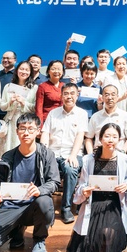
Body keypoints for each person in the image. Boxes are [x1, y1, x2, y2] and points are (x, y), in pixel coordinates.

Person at [0, 113, 61, 252]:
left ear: (38, 131)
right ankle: (16, 228)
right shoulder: (7, 157)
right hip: (10, 206)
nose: (26, 132)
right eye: (22, 128)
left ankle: (39, 239)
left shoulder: (46, 154)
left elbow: (54, 182)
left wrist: (40, 190)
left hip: (33, 206)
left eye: (30, 129)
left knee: (45, 201)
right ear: (16, 131)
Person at [67, 123, 127, 252]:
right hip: (94, 204)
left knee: (108, 234)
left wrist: (126, 185)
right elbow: (81, 185)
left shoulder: (123, 159)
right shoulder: (88, 159)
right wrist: (84, 191)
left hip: (115, 205)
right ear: (100, 139)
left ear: (119, 140)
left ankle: (113, 246)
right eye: (107, 136)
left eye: (114, 137)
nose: (110, 140)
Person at [40, 83, 88, 224]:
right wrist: (44, 153)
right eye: (66, 93)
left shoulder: (82, 114)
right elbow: (45, 134)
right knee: (41, 167)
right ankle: (45, 208)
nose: (69, 96)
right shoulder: (53, 113)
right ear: (61, 96)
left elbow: (80, 136)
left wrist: (73, 155)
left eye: (72, 93)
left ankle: (66, 207)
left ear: (77, 96)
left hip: (72, 153)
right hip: (53, 153)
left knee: (70, 169)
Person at [0, 61, 37, 160]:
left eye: (27, 70)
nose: (24, 72)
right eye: (21, 69)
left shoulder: (34, 88)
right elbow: (2, 106)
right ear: (17, 70)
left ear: (30, 72)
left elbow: (34, 108)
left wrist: (23, 102)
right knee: (7, 147)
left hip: (26, 121)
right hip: (11, 121)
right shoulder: (8, 86)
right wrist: (10, 102)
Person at [85, 83, 127, 154]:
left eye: (113, 94)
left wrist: (123, 152)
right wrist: (91, 155)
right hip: (98, 155)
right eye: (107, 95)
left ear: (117, 97)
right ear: (102, 97)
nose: (110, 97)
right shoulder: (95, 117)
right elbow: (88, 138)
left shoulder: (126, 116)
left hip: (118, 154)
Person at [35, 59, 64, 124]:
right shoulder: (42, 86)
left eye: (59, 69)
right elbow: (39, 108)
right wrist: (40, 125)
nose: (56, 71)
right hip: (47, 120)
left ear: (62, 72)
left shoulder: (65, 86)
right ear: (48, 71)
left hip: (63, 120)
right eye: (53, 69)